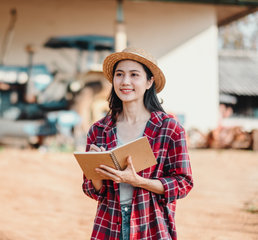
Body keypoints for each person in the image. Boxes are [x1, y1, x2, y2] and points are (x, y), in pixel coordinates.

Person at [82, 47, 193, 240]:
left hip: (151, 225)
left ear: (149, 81)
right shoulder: (99, 130)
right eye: (119, 74)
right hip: (108, 225)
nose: (125, 82)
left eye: (134, 75)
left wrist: (137, 181)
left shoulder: (169, 129)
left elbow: (183, 183)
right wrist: (96, 170)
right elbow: (93, 190)